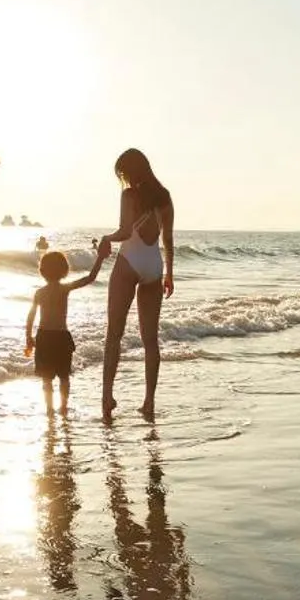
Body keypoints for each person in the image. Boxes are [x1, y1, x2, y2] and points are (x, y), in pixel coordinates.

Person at [97, 147, 175, 420]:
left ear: (129, 171)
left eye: (122, 173)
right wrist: (169, 275)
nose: (123, 179)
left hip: (129, 261)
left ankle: (107, 397)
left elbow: (125, 231)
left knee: (114, 334)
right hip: (154, 266)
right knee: (150, 339)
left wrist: (106, 238)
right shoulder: (164, 197)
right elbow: (168, 240)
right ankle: (149, 401)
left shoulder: (129, 195)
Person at [24, 246, 104, 413]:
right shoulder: (64, 289)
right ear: (64, 270)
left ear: (42, 270)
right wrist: (100, 258)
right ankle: (63, 407)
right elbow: (90, 278)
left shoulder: (40, 292)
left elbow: (31, 316)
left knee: (46, 379)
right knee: (64, 376)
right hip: (61, 337)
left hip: (44, 337)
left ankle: (49, 409)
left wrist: (28, 338)